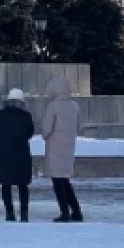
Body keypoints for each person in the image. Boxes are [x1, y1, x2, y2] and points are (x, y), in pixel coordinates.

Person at [0, 88, 34, 222]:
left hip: (4, 153)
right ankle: (24, 213)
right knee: (23, 185)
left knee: (6, 184)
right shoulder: (26, 116)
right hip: (22, 153)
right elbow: (30, 133)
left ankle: (9, 213)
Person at [43, 77, 83, 223]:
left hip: (55, 147)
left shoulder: (52, 106)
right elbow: (79, 126)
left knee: (57, 181)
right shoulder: (75, 106)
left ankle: (64, 212)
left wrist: (45, 135)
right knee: (65, 180)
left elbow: (47, 129)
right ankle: (76, 211)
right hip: (69, 146)